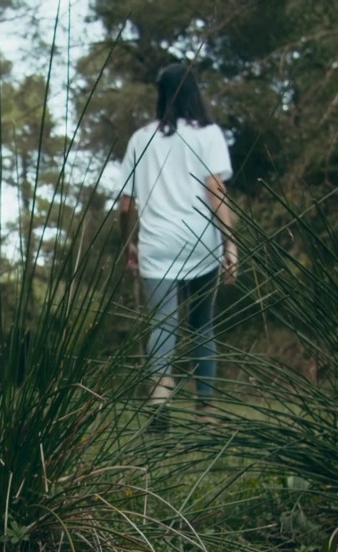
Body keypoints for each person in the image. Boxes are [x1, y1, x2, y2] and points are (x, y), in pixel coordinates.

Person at [119, 63, 236, 416]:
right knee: (202, 324)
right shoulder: (208, 134)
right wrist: (230, 242)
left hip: (157, 244)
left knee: (163, 324)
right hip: (202, 241)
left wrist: (128, 243)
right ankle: (207, 411)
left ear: (161, 94)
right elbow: (215, 189)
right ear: (194, 92)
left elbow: (126, 204)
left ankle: (159, 403)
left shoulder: (141, 138)